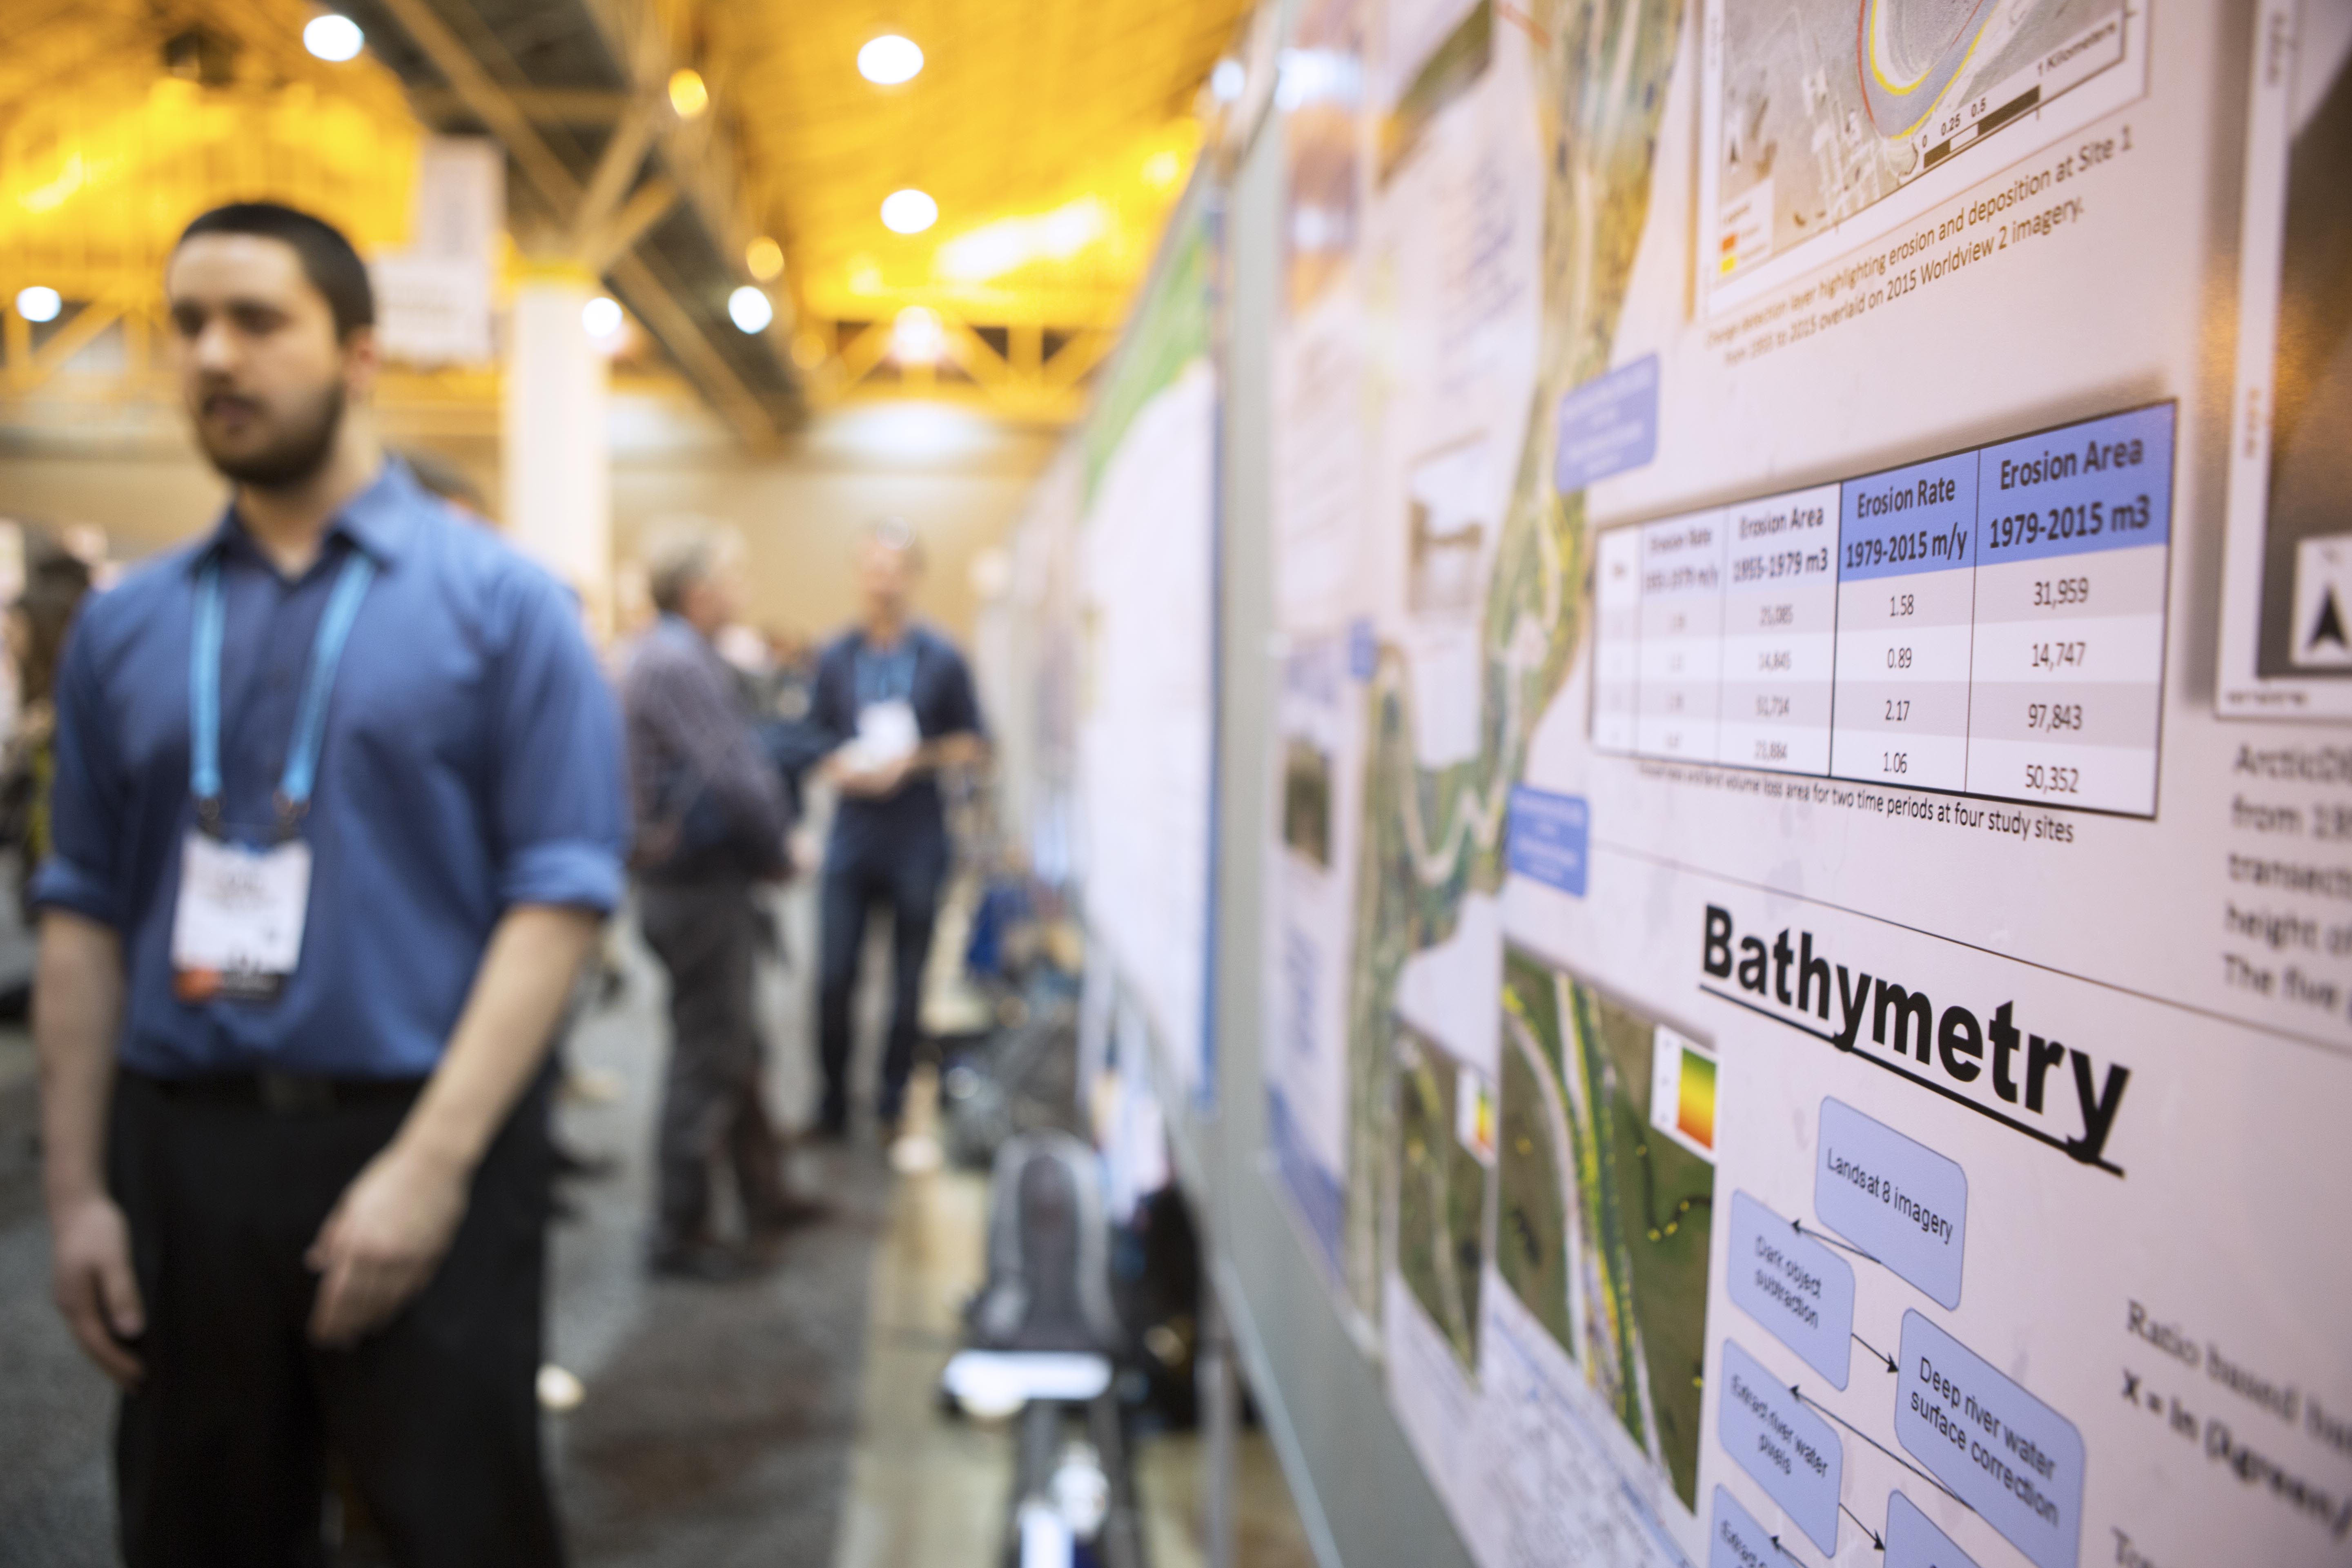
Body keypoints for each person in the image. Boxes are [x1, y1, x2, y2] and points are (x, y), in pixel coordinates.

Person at [31, 201, 625, 1566]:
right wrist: (78, 1194)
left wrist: (427, 1168)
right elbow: (82, 917)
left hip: (426, 1138)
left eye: (259, 321)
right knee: (198, 1527)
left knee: (453, 1523)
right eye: (187, 325)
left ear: (361, 354)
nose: (215, 357)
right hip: (188, 1149)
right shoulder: (130, 629)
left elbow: (559, 903)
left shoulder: (501, 607)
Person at [621, 521, 804, 1277]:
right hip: (695, 891)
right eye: (735, 578)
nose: (744, 592)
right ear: (700, 592)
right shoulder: (676, 660)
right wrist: (782, 849)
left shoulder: (667, 654)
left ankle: (765, 1194)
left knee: (737, 1045)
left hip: (687, 886)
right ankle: (680, 1232)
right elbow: (735, 774)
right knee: (710, 1055)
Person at [811, 519, 987, 1137]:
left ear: (912, 577)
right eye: (871, 569)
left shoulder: (941, 657)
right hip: (852, 837)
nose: (881, 582)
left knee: (909, 981)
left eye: (893, 570)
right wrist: (838, 764)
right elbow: (812, 736)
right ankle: (831, 1102)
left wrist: (915, 761)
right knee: (834, 976)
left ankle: (893, 1101)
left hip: (916, 835)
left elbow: (974, 743)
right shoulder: (836, 655)